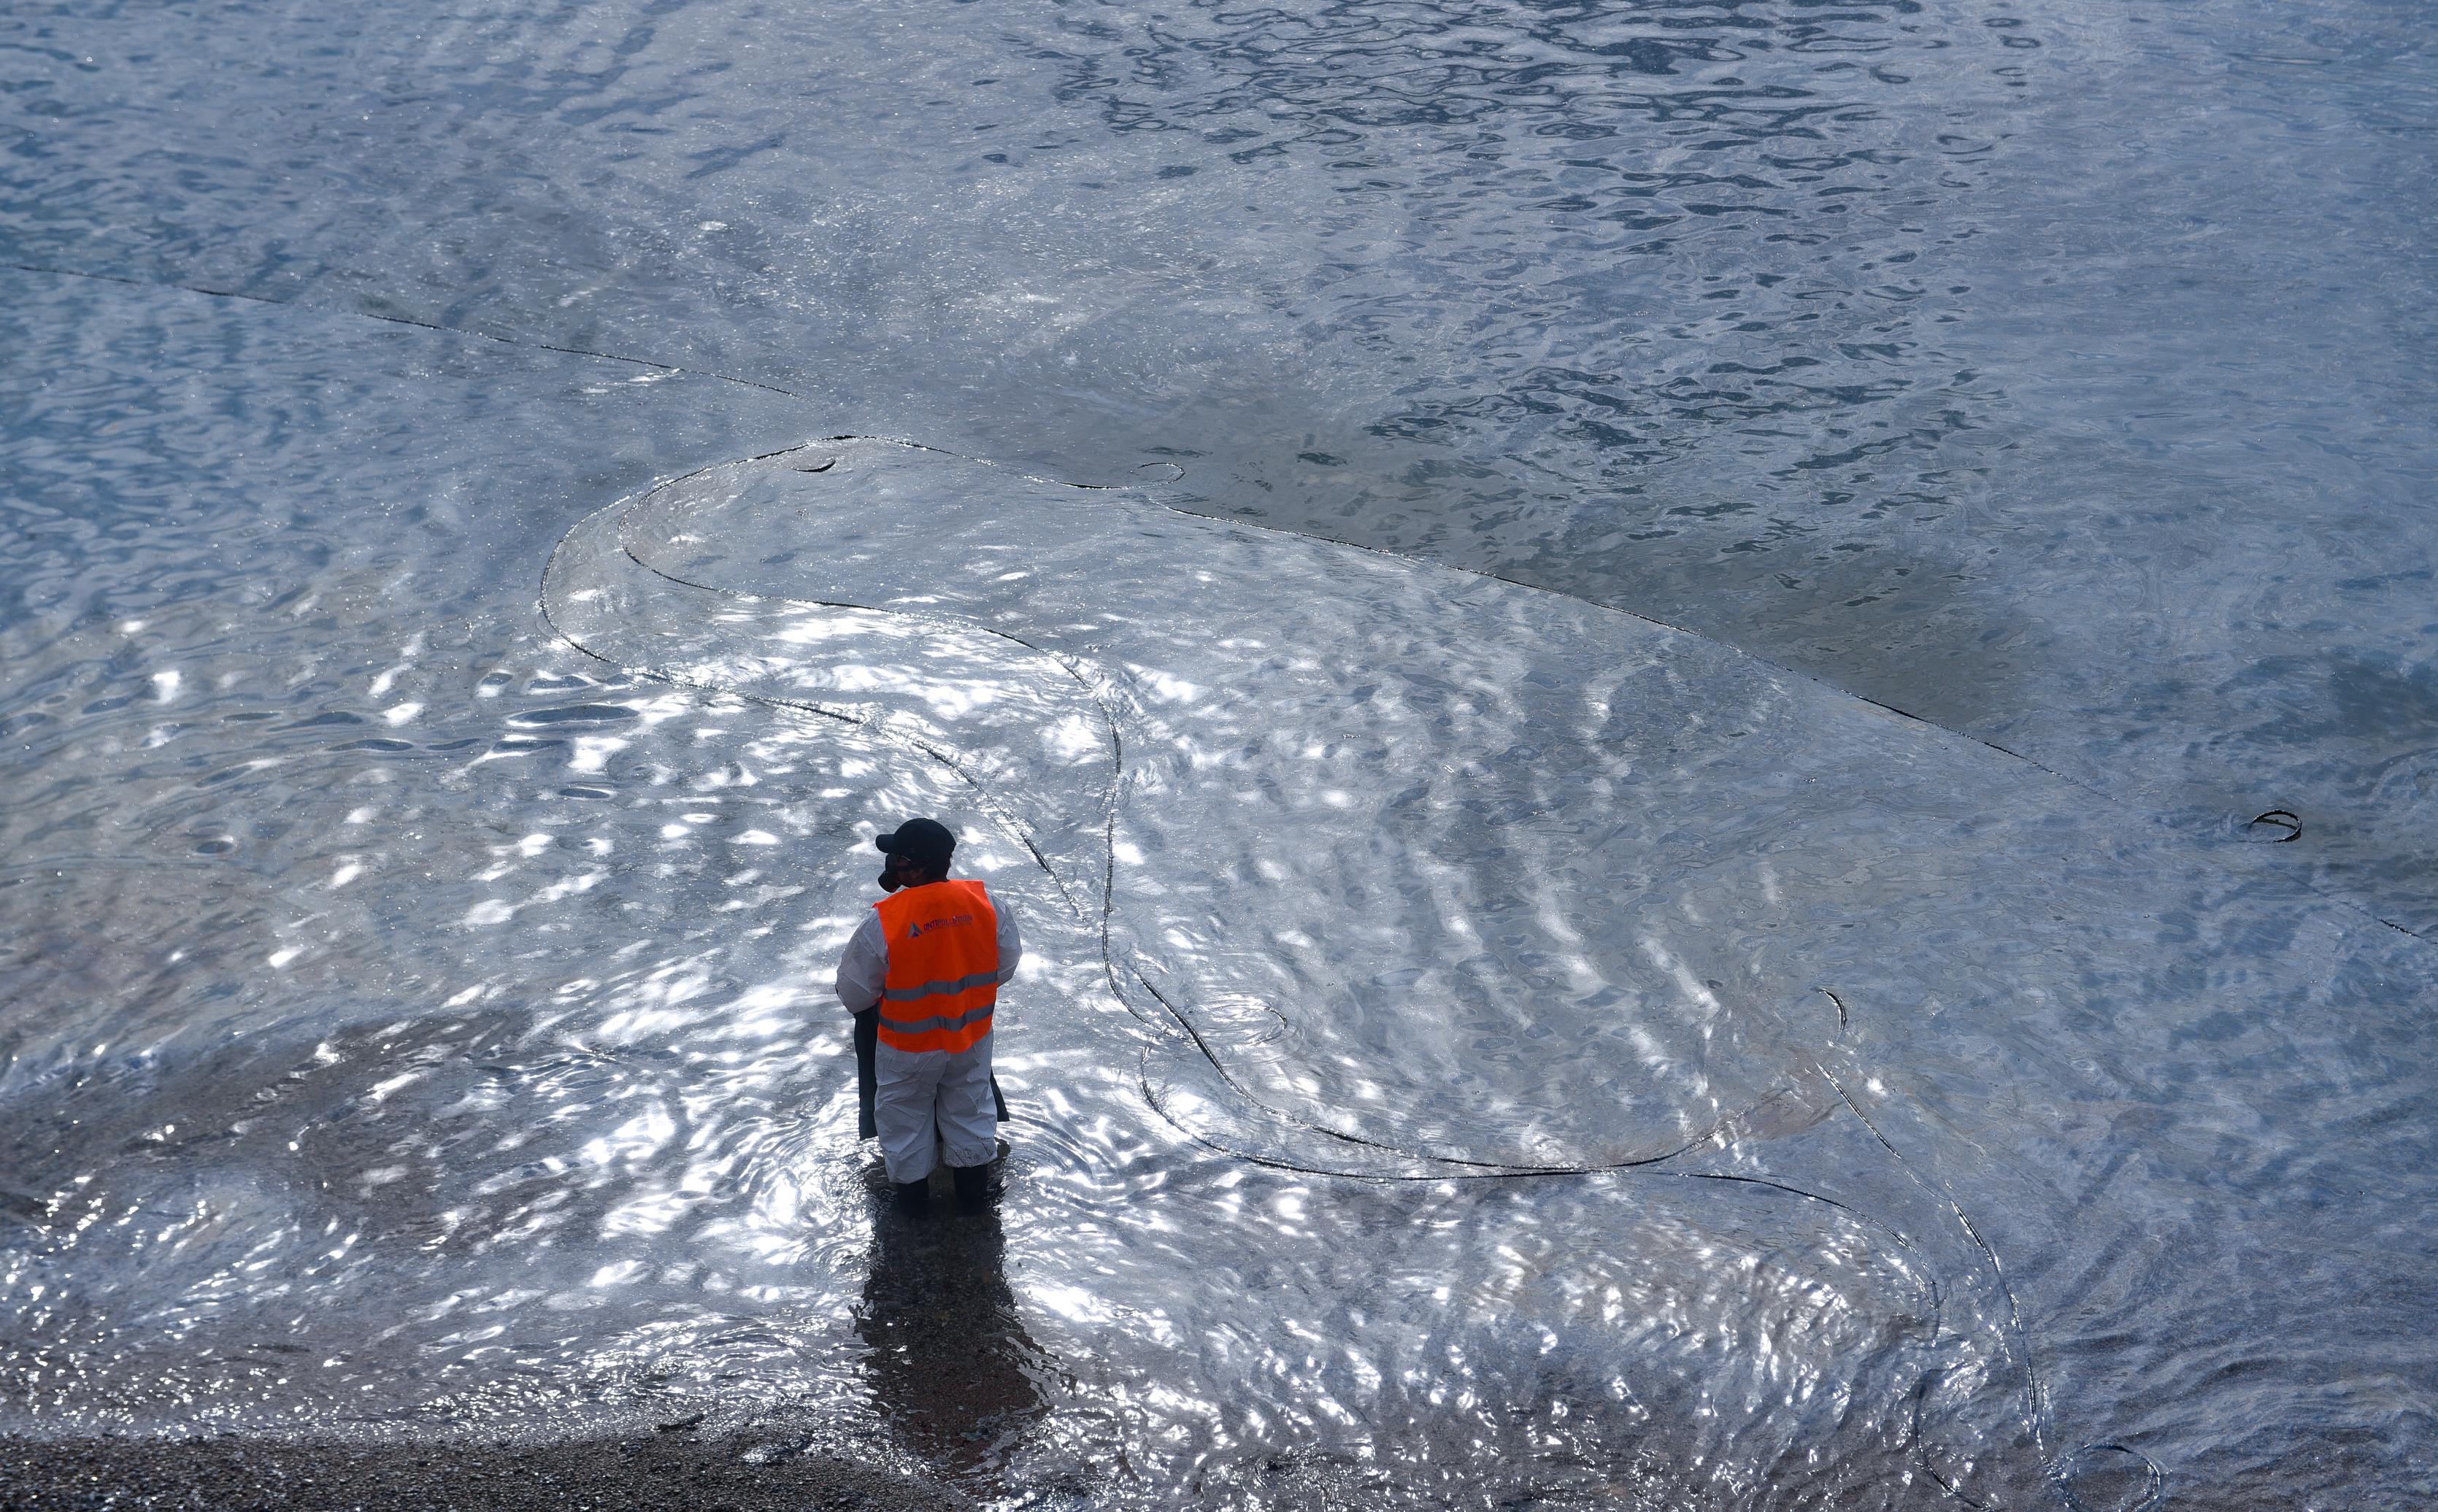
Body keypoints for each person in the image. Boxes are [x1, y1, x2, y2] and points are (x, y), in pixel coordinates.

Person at [834, 817, 1020, 1214]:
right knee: (970, 1109)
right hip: (970, 1037)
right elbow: (1004, 966)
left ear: (915, 869)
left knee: (904, 1121)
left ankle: (914, 1211)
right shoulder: (986, 903)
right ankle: (974, 1201)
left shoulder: (884, 920)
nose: (893, 865)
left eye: (898, 858)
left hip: (907, 1048)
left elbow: (855, 994)